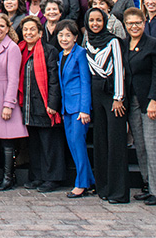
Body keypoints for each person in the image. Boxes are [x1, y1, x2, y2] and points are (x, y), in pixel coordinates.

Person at [123, 7, 156, 206]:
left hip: (152, 102)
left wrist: (154, 101)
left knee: (153, 145)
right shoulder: (124, 44)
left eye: (138, 23)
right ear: (125, 25)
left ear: (144, 23)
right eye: (130, 23)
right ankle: (147, 185)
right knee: (140, 145)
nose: (134, 26)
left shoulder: (153, 44)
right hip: (133, 101)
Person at [83, 8, 128, 203]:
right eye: (91, 20)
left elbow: (118, 68)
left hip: (112, 94)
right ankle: (103, 187)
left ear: (105, 22)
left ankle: (119, 191)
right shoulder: (87, 42)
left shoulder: (113, 41)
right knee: (100, 141)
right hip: (96, 95)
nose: (95, 24)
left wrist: (119, 97)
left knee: (115, 143)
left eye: (98, 20)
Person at [16, 15, 65, 193]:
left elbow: (53, 80)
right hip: (28, 105)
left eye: (32, 30)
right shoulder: (20, 50)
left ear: (39, 33)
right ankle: (37, 176)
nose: (28, 33)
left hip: (44, 104)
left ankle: (52, 178)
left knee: (49, 143)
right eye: (26, 30)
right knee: (35, 143)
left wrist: (52, 103)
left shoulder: (48, 51)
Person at [0, 13, 26, 191]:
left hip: (5, 95)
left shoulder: (12, 48)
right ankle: (6, 175)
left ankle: (9, 177)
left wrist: (9, 104)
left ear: (8, 28)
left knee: (8, 140)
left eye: (1, 26)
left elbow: (13, 78)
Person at [56, 19, 95, 198]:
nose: (64, 38)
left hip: (79, 107)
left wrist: (85, 109)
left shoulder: (80, 53)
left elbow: (85, 82)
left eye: (68, 35)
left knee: (78, 144)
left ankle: (81, 184)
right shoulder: (61, 55)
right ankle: (90, 181)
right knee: (72, 144)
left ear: (75, 37)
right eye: (61, 35)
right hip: (67, 107)